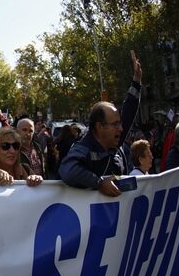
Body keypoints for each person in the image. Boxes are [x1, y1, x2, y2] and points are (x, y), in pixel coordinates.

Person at [59, 50, 142, 197]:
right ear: (99, 127)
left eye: (120, 123)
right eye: (115, 124)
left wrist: (136, 82)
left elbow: (129, 112)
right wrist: (99, 183)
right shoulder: (82, 148)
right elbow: (68, 170)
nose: (122, 128)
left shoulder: (115, 140)